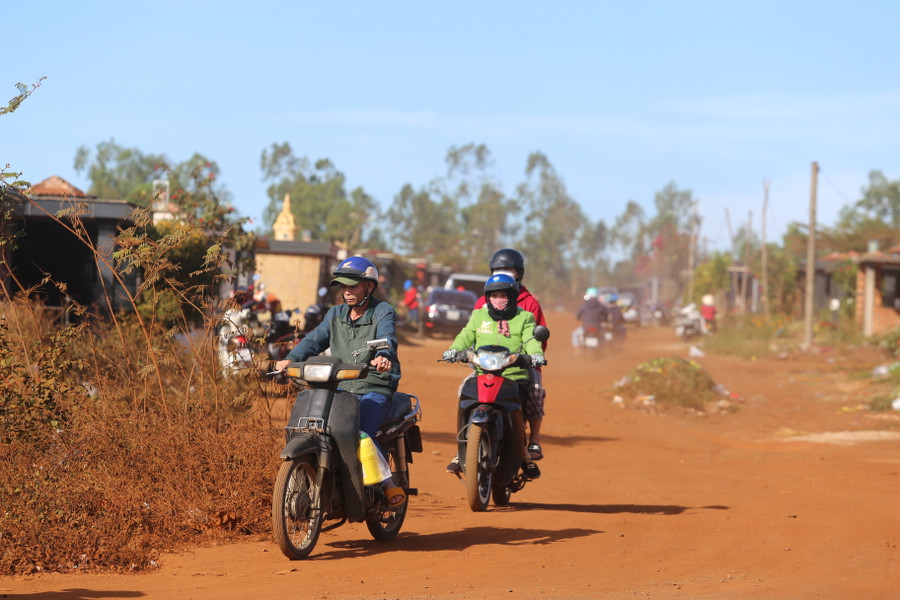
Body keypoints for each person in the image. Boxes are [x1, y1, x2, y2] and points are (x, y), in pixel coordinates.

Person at [274, 256, 406, 508]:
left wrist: (382, 356)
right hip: (340, 388)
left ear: (369, 285)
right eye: (343, 287)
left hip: (374, 387)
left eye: (353, 286)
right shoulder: (334, 315)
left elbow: (387, 337)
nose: (347, 292)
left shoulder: (382, 311)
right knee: (314, 428)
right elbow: (314, 340)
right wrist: (290, 360)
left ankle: (388, 484)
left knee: (359, 432)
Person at [442, 273, 546, 479]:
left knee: (536, 392)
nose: (498, 299)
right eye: (494, 295)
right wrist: (454, 350)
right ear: (487, 297)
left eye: (504, 295)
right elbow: (465, 335)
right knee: (463, 391)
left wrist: (535, 355)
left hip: (514, 374)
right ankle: (462, 449)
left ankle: (529, 448)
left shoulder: (524, 317)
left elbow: (532, 340)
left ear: (513, 296)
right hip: (482, 372)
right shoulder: (479, 316)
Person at [575, 287, 607, 352]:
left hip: (585, 327)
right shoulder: (600, 305)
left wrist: (578, 318)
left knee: (574, 334)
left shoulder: (584, 305)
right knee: (603, 335)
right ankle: (603, 349)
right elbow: (605, 314)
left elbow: (578, 315)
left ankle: (577, 349)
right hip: (597, 327)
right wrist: (604, 320)